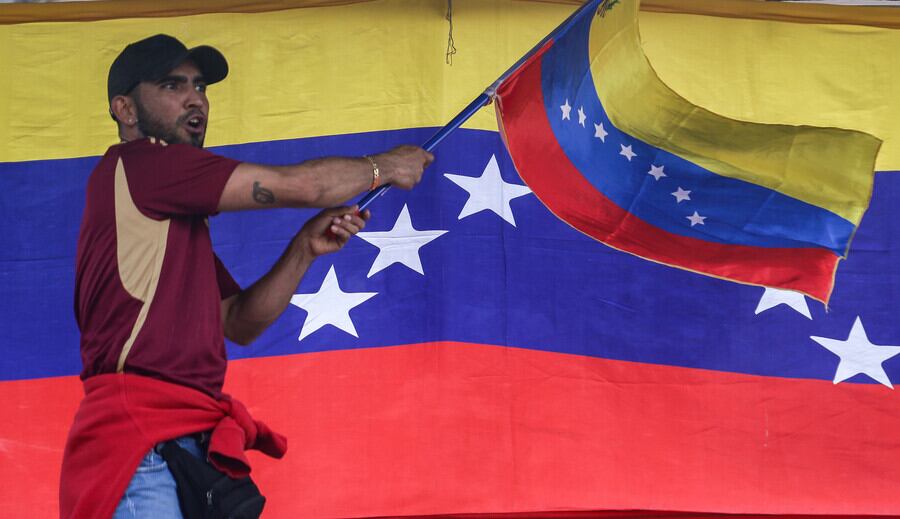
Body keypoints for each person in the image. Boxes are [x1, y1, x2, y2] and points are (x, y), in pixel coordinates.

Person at [58, 34, 433, 519]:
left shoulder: (164, 210)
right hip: (138, 446)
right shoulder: (145, 164)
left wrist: (303, 249)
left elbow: (238, 322)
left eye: (200, 87)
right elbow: (305, 185)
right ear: (125, 109)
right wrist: (384, 167)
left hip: (176, 446)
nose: (196, 98)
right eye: (173, 85)